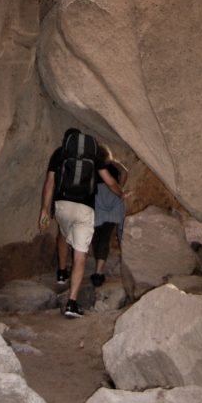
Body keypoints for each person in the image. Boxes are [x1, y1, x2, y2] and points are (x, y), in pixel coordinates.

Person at [39, 127, 125, 318]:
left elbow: (49, 182)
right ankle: (72, 303)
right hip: (85, 208)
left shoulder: (60, 153)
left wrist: (44, 209)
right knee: (80, 255)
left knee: (63, 235)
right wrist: (121, 193)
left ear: (67, 141)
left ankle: (62, 273)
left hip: (62, 205)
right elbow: (110, 181)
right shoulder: (94, 154)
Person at [90, 145, 128, 286]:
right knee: (106, 236)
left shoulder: (92, 167)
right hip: (113, 199)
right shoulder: (112, 167)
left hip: (97, 202)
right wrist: (120, 188)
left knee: (96, 237)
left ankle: (98, 270)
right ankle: (99, 272)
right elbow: (124, 173)